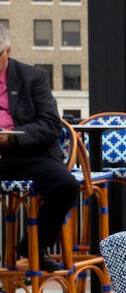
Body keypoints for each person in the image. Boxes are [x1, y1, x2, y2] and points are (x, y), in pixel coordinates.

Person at [0, 24, 77, 272]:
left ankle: (34, 245)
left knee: (66, 185)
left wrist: (11, 138)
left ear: (8, 51)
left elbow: (51, 124)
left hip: (27, 153)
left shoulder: (32, 77)